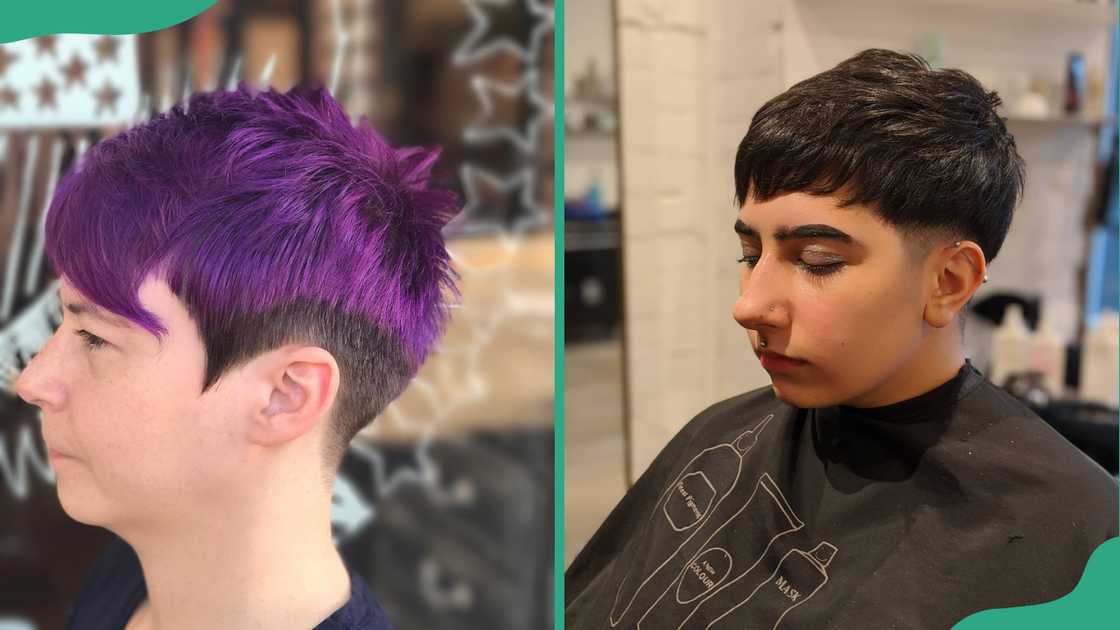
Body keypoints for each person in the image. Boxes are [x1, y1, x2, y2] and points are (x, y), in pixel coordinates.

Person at [565, 49, 1118, 629]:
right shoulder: (719, 434)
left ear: (948, 282)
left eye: (818, 261)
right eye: (749, 254)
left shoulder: (1079, 539)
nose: (749, 305)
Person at [15, 84, 459, 630]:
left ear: (285, 396)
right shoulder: (125, 578)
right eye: (65, 321)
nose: (33, 380)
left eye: (95, 338)